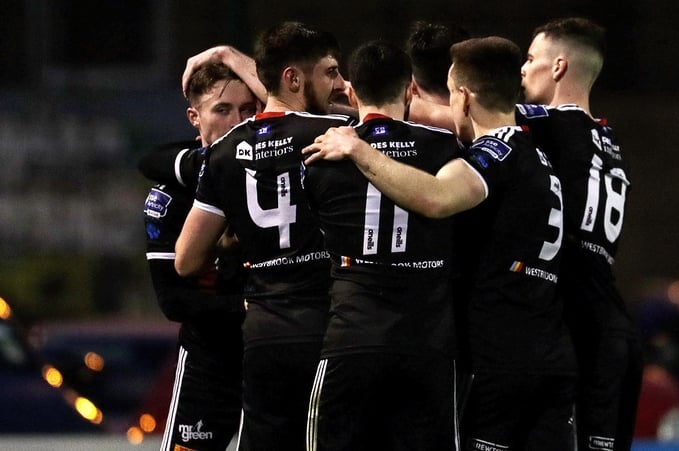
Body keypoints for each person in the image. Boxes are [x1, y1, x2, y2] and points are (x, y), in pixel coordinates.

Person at [303, 36, 577, 451]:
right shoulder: (536, 153)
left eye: (450, 95)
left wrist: (359, 147)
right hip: (549, 348)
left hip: (496, 353)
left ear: (464, 98)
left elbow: (435, 197)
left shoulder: (491, 155)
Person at [173, 21, 352, 451]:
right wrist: (234, 57)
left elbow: (185, 260)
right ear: (291, 77)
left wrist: (231, 241)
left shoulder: (222, 153)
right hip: (326, 324)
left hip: (263, 330)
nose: (338, 85)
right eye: (328, 73)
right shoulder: (334, 138)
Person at [301, 40, 462, 451]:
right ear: (410, 89)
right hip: (428, 343)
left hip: (352, 337)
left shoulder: (322, 156)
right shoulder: (445, 149)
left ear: (352, 94)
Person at [516, 17, 642, 451]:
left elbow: (468, 111)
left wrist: (361, 109)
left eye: (531, 58)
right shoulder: (608, 138)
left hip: (581, 331)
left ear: (558, 67)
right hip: (615, 326)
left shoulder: (554, 124)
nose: (522, 69)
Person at [141, 62, 259, 451]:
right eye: (222, 110)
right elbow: (174, 300)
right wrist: (254, 307)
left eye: (246, 109)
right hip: (210, 362)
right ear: (195, 117)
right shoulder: (170, 196)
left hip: (276, 354)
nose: (238, 121)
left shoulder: (278, 174)